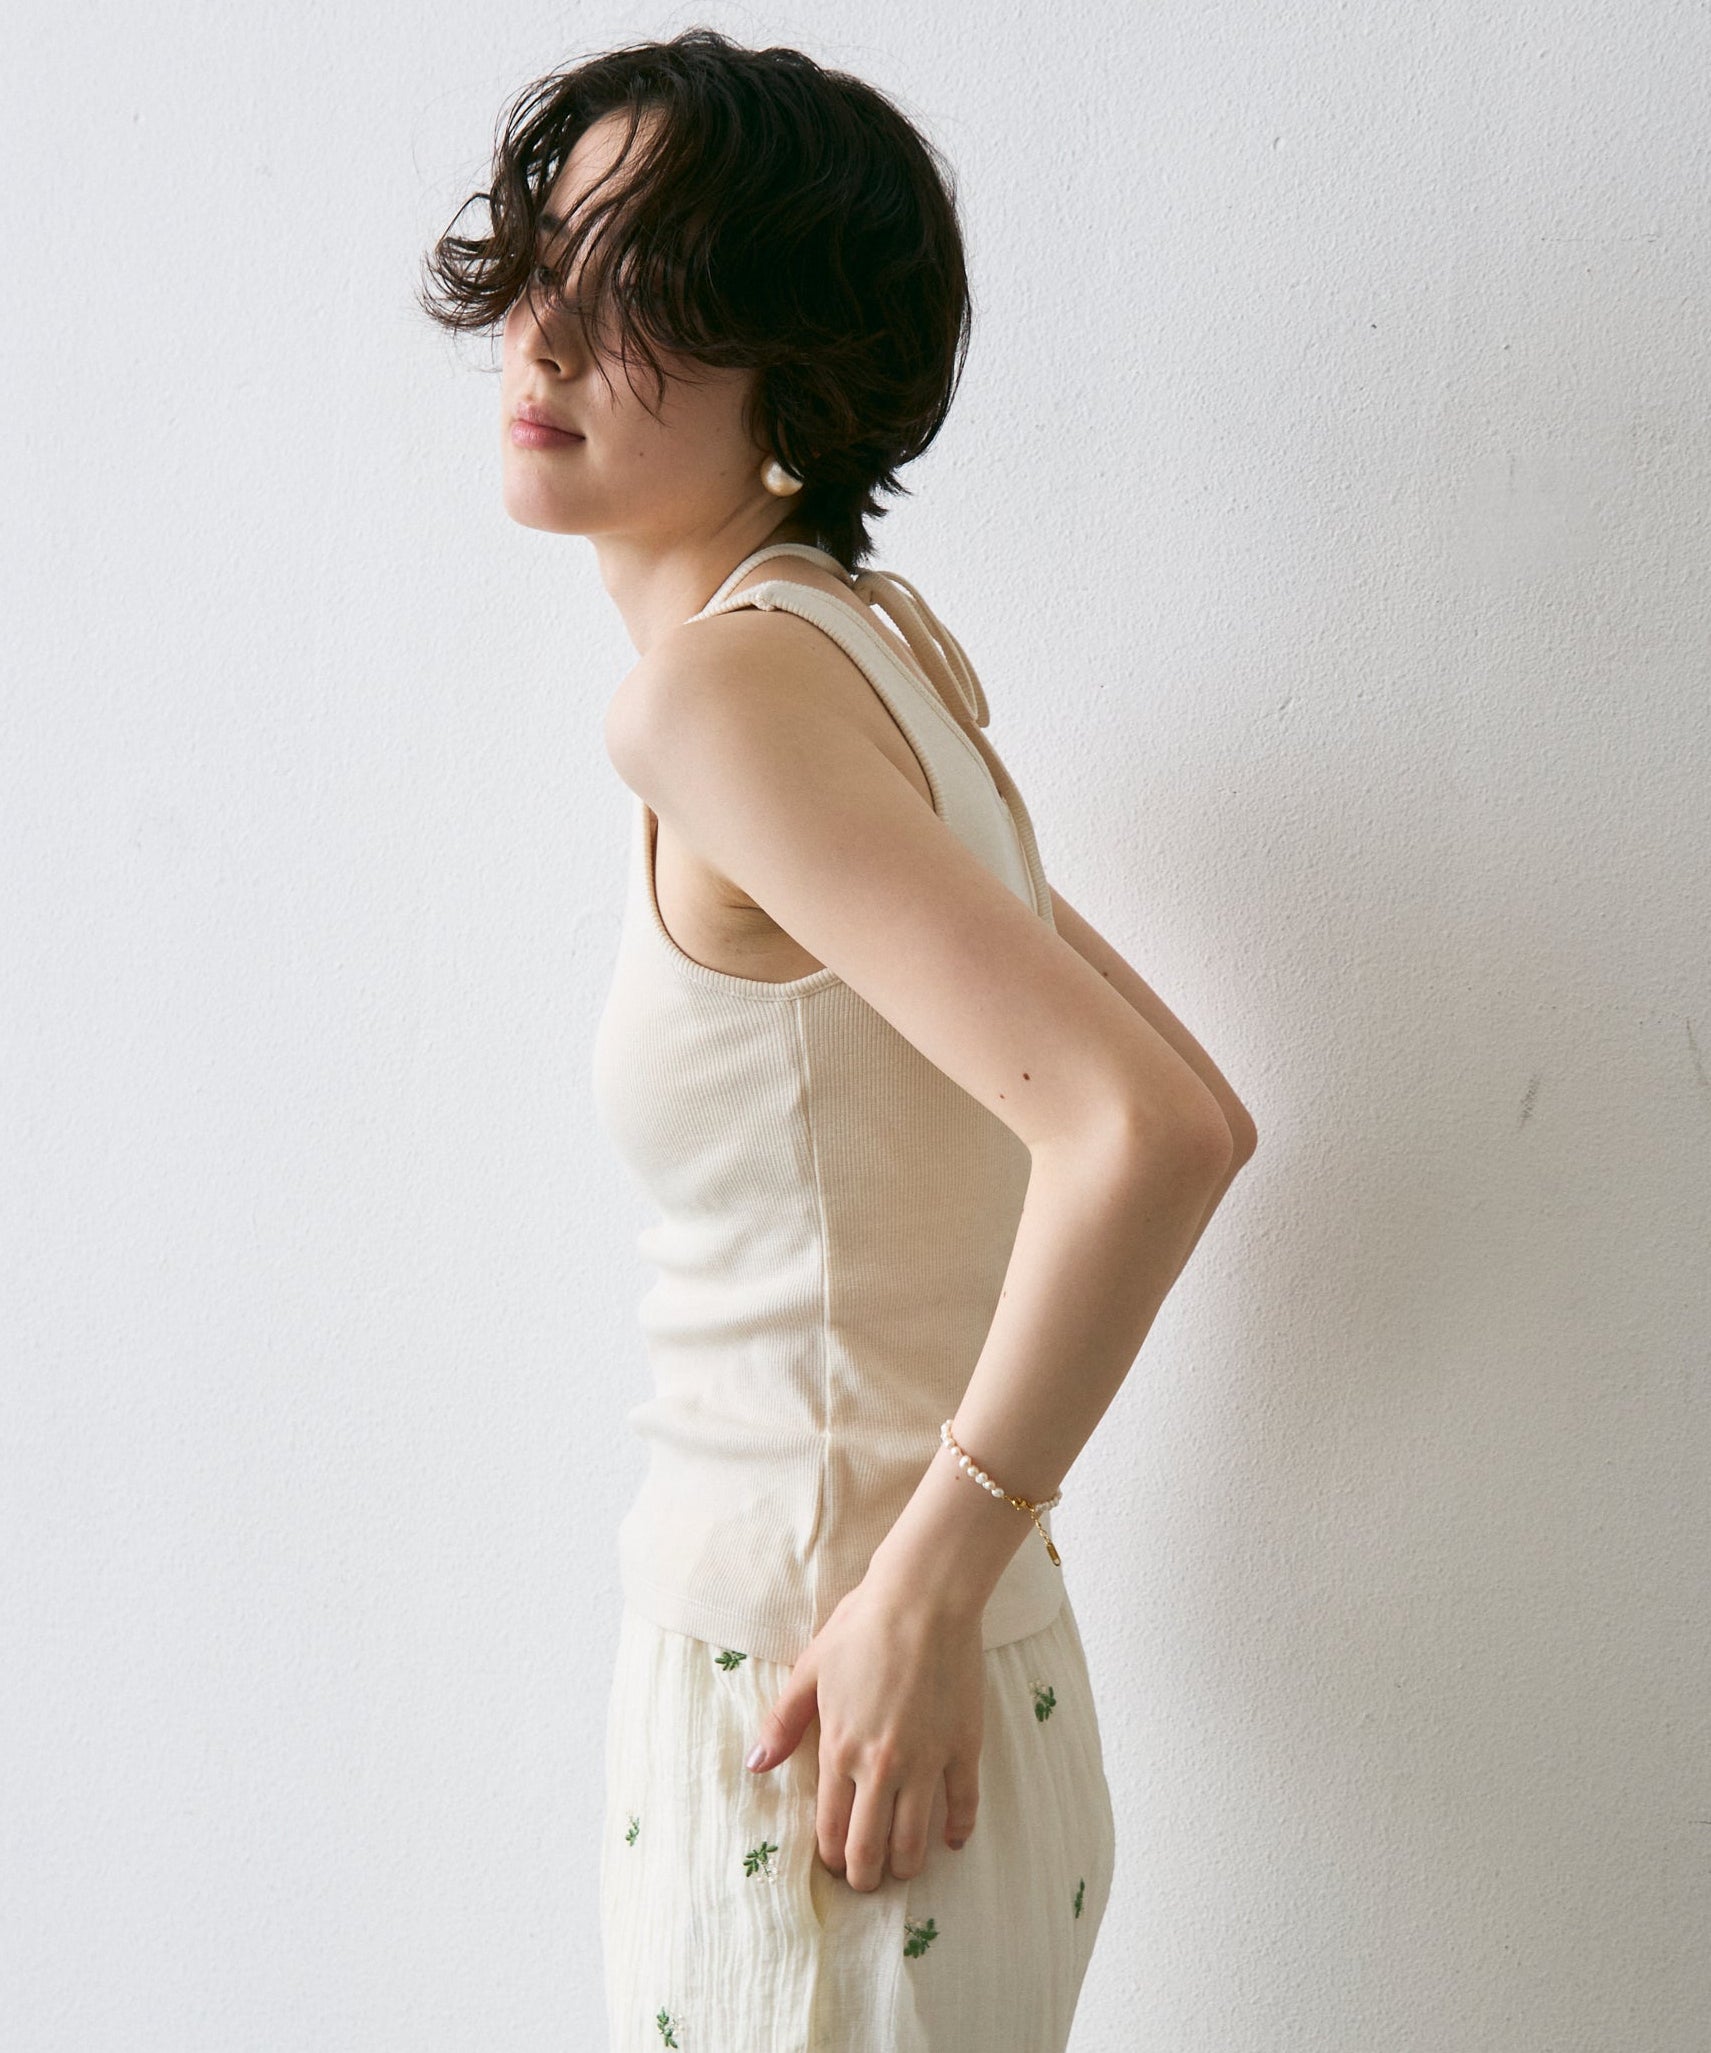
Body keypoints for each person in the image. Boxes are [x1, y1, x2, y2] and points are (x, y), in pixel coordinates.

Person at [419, 27, 1257, 2050]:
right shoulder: (861, 649)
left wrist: (923, 1579)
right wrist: (947, 1583)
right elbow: (1182, 1106)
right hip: (899, 1681)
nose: (547, 332)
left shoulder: (721, 699)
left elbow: (1147, 1133)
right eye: (548, 258)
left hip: (826, 1713)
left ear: (795, 375)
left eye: (646, 296)